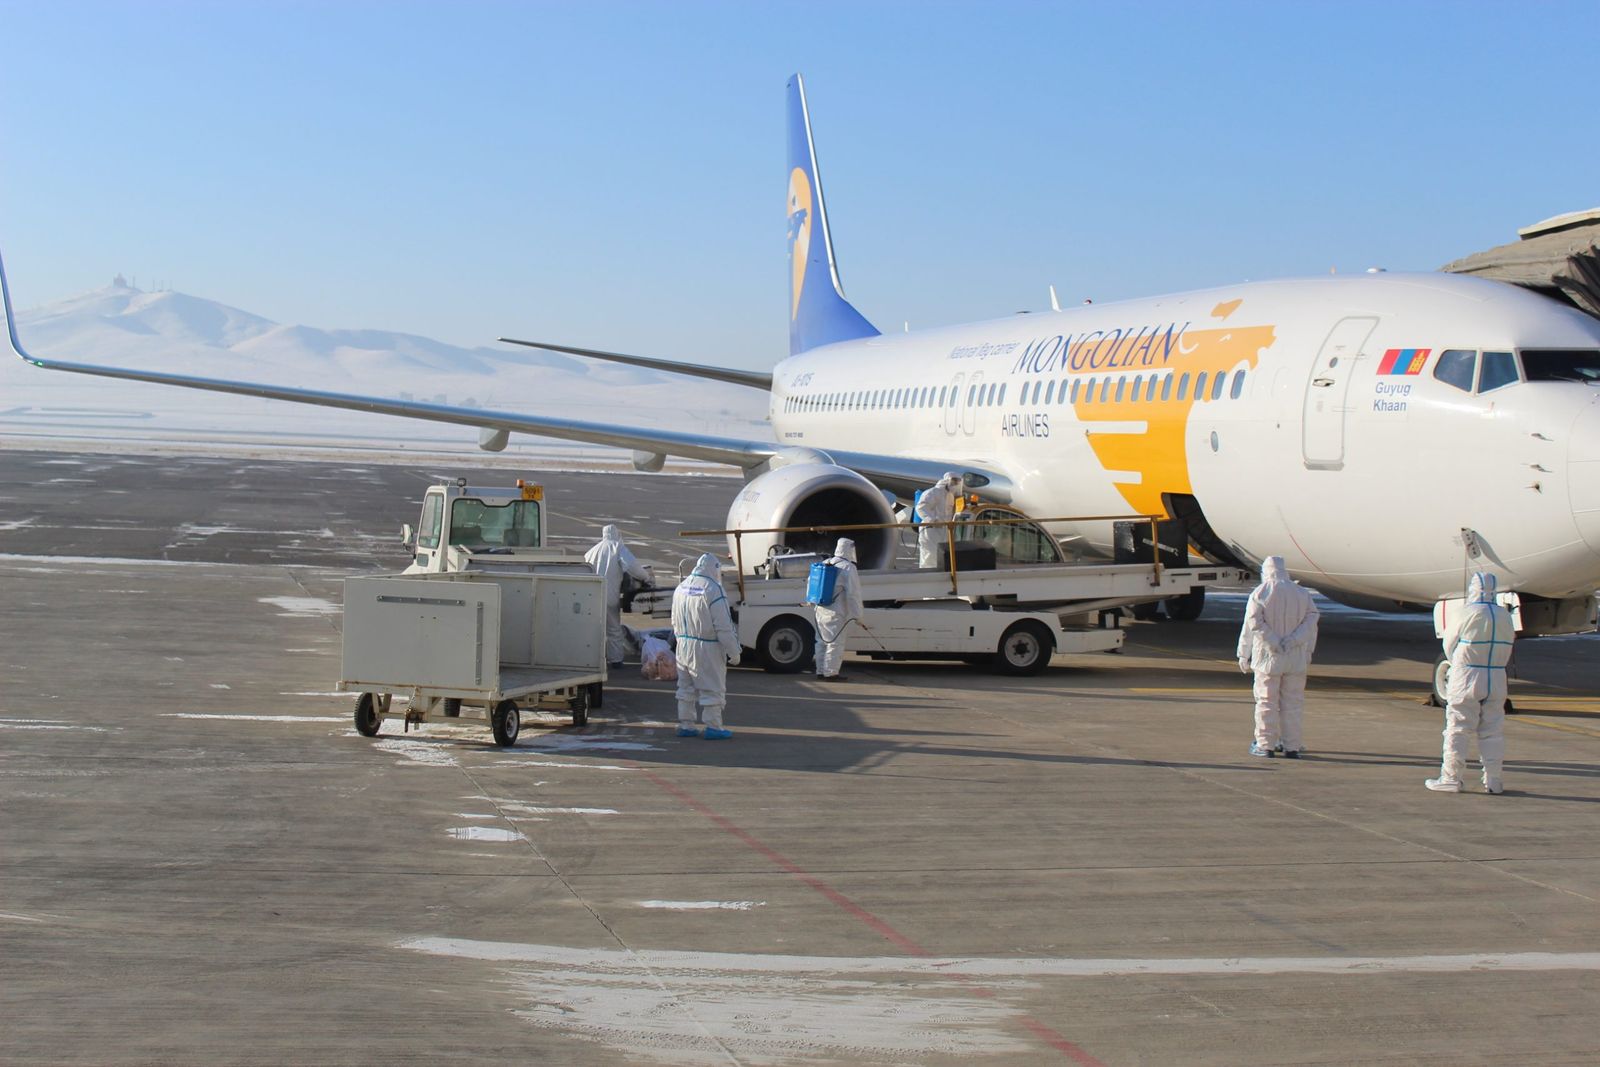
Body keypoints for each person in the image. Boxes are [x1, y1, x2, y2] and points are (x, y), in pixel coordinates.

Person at [1427, 572, 1514, 794]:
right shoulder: (1504, 616)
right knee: (1493, 730)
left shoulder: (1465, 612)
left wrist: (1461, 662)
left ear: (1473, 589)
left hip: (1467, 676)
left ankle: (1451, 778)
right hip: (1496, 676)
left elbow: (1449, 644)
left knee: (1458, 728)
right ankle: (1493, 780)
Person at [1236, 556, 1320, 758]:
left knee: (1266, 702)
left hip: (1267, 659)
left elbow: (1252, 625)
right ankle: (1292, 746)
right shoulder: (1302, 593)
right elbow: (1312, 624)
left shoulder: (1260, 593)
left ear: (1266, 571)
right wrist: (1298, 644)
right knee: (1293, 703)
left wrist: (1245, 654)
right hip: (1295, 659)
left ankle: (1265, 745)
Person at [671, 552, 740, 739]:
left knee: (685, 688)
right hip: (707, 647)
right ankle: (713, 727)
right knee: (712, 688)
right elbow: (724, 627)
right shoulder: (713, 590)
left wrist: (680, 639)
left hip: (683, 644)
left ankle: (686, 724)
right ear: (714, 569)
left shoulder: (681, 587)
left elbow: (674, 620)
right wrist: (734, 651)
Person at [585, 524, 652, 669]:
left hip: (590, 595)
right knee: (613, 629)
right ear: (617, 534)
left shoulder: (592, 551)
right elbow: (633, 567)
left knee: (593, 628)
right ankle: (615, 660)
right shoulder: (617, 548)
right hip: (609, 595)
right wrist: (646, 578)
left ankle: (592, 659)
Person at [813, 537, 865, 681]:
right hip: (836, 611)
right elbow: (853, 594)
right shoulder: (848, 568)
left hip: (820, 609)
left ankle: (820, 671)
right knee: (835, 643)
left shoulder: (825, 563)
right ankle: (831, 673)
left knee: (821, 641)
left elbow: (812, 583)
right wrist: (858, 616)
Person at [915, 472, 961, 569]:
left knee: (942, 557)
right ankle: (927, 577)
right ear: (947, 480)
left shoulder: (951, 496)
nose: (955, 485)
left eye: (957, 482)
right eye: (954, 481)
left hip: (944, 531)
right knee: (930, 557)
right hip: (931, 530)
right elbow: (921, 508)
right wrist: (933, 520)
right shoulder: (933, 492)